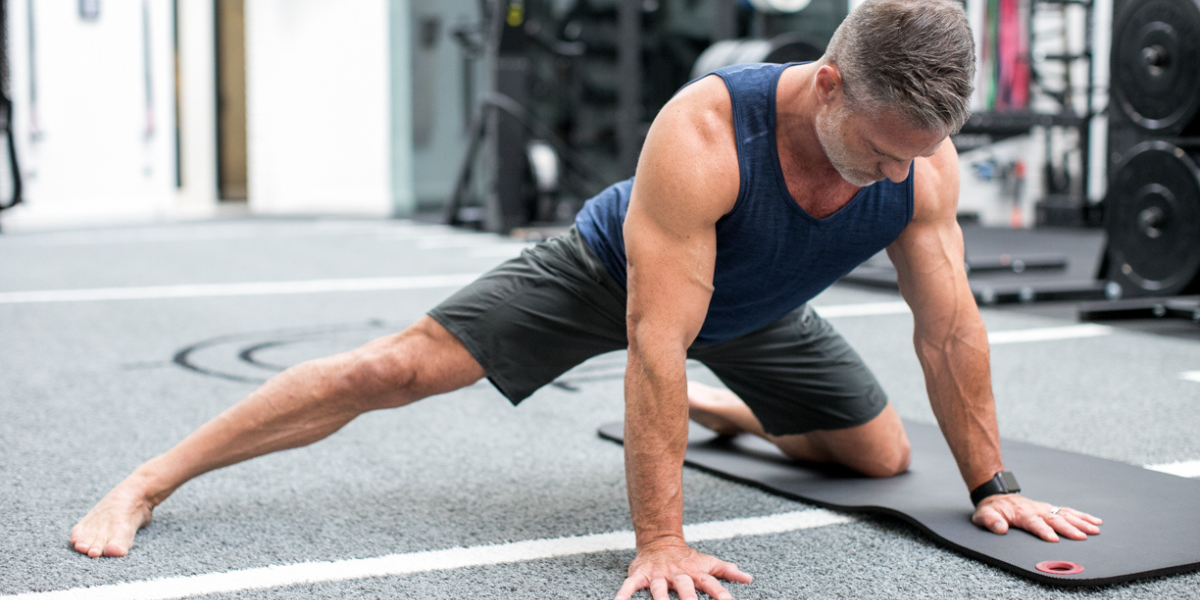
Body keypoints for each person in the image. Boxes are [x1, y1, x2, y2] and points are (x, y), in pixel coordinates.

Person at [70, 1, 1102, 598]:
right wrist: (660, 541)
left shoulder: (923, 165)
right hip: (620, 279)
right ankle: (151, 479)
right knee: (394, 369)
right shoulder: (703, 135)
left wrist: (993, 484)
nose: (890, 178)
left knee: (880, 456)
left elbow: (951, 330)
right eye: (876, 152)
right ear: (828, 84)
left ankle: (729, 408)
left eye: (911, 159)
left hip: (756, 305)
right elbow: (653, 345)